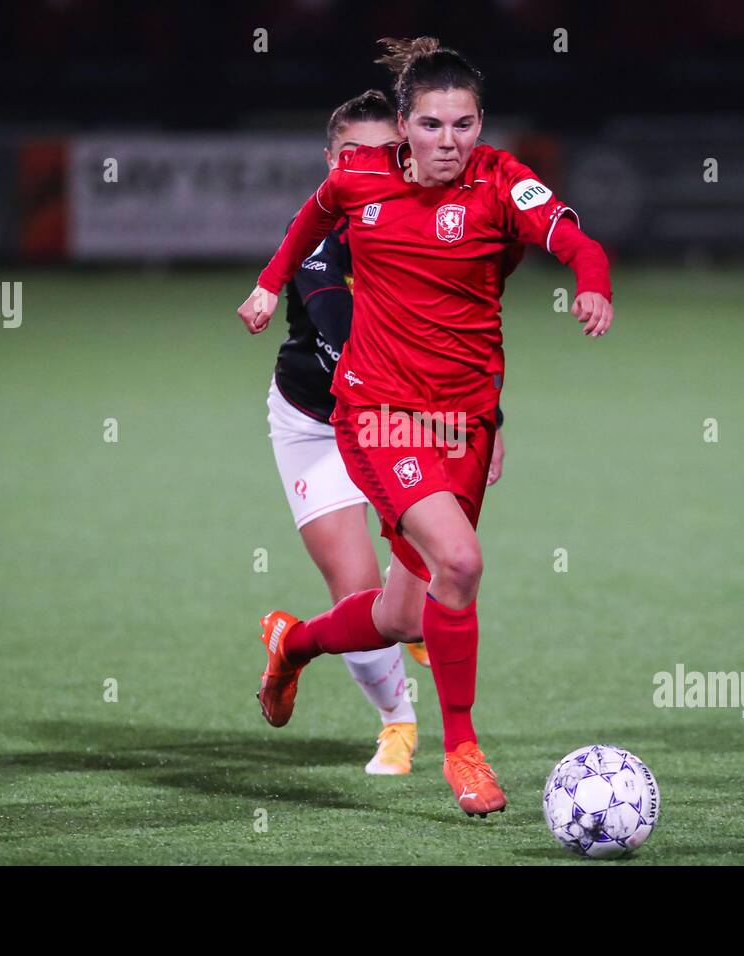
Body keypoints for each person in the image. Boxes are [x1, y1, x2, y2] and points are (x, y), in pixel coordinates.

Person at [239, 37, 613, 817]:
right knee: (463, 561)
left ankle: (294, 644)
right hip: (376, 412)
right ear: (402, 125)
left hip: (463, 423)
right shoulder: (360, 180)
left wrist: (592, 283)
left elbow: (572, 237)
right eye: (435, 125)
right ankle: (463, 748)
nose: (451, 142)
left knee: (405, 612)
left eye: (466, 124)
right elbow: (310, 219)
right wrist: (270, 286)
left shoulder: (503, 181)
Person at [264, 88, 508, 775]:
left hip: (409, 419)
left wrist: (488, 415)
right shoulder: (316, 241)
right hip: (319, 424)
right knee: (357, 587)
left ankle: (293, 643)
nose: (360, 168)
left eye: (377, 155)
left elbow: (466, 331)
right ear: (329, 161)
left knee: (402, 616)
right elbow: (352, 337)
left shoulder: (425, 225)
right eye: (348, 156)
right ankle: (397, 723)